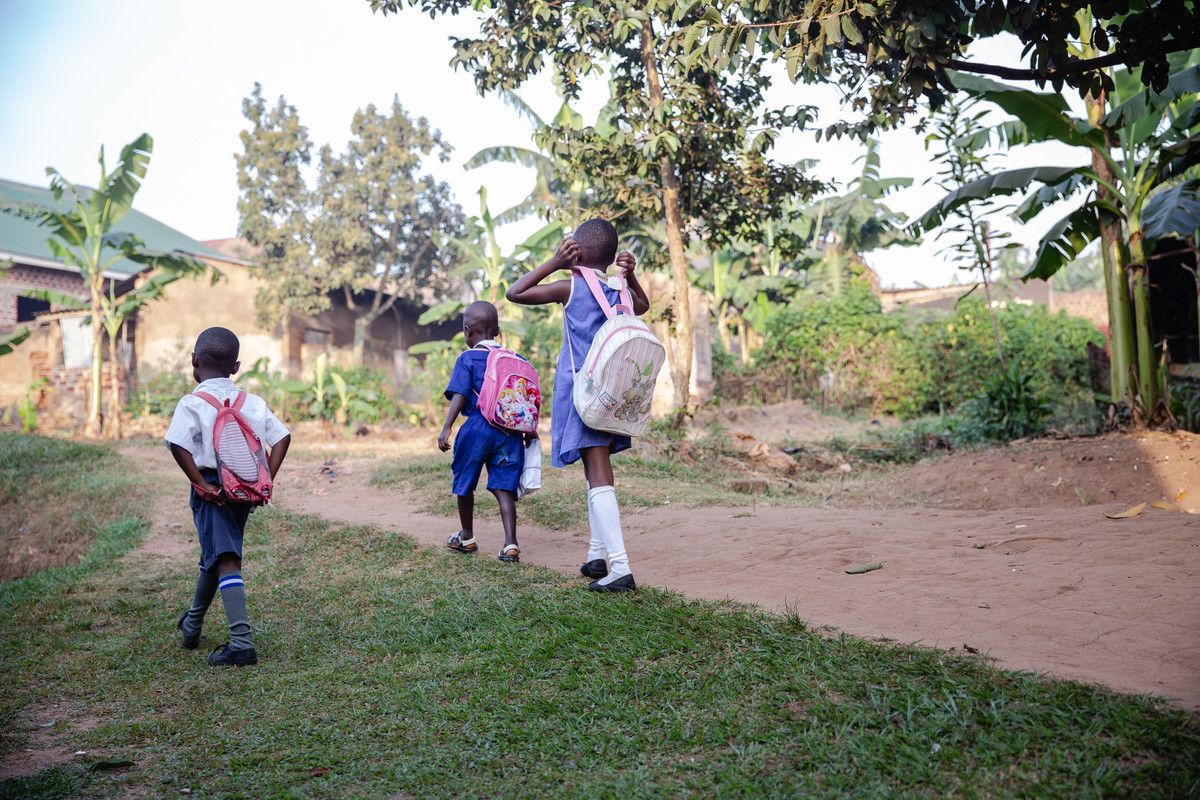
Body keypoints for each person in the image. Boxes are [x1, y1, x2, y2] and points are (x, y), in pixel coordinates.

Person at [506, 218, 650, 592]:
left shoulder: (571, 286)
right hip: (613, 392)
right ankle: (597, 554)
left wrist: (553, 263)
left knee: (599, 473)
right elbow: (644, 305)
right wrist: (630, 276)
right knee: (593, 468)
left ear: (577, 253)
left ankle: (620, 567)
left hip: (585, 392)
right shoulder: (617, 288)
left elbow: (515, 293)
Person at [165, 326, 291, 666]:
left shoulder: (192, 403)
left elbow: (176, 443)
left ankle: (241, 643)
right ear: (235, 367)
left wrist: (200, 484)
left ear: (194, 360)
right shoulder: (250, 402)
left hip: (213, 490)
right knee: (217, 553)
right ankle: (192, 624)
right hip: (243, 489)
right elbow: (282, 438)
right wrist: (265, 480)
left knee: (226, 559)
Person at [438, 301, 531, 563]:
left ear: (467, 331)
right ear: (498, 331)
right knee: (504, 486)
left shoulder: (467, 358)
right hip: (509, 431)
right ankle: (510, 543)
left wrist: (447, 427)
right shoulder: (516, 359)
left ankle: (466, 537)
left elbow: (460, 394)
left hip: (478, 427)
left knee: (465, 481)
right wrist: (529, 431)